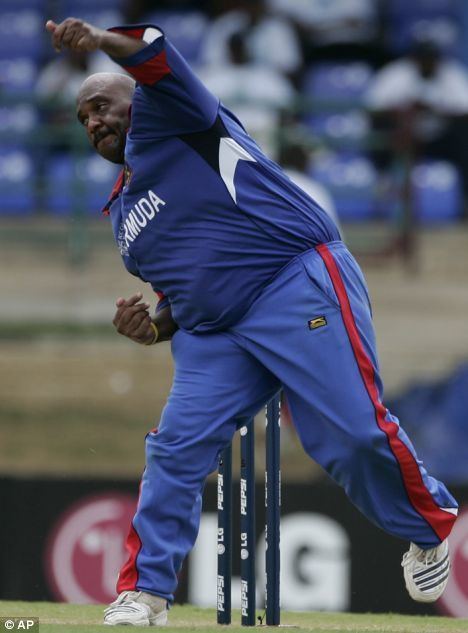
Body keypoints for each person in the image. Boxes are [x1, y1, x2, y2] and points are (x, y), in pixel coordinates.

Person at [45, 17, 457, 626]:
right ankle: (146, 594)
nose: (94, 122)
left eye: (102, 106)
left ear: (136, 99)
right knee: (174, 451)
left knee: (349, 437)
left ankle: (429, 529)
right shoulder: (122, 217)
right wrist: (152, 326)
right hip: (215, 334)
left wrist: (102, 42)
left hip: (293, 282)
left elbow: (153, 47)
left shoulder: (173, 114)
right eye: (83, 118)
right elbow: (180, 298)